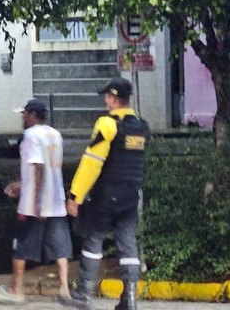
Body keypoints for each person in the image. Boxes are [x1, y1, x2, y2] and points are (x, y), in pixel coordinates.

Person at [62, 77, 149, 310]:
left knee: (94, 238)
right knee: (127, 243)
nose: (105, 100)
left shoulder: (107, 124)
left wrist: (75, 196)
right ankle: (129, 299)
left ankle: (84, 294)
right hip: (131, 194)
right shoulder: (141, 126)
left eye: (107, 97)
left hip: (107, 193)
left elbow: (92, 163)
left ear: (113, 98)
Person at [0, 98, 73, 305]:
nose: (23, 118)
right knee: (60, 247)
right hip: (56, 200)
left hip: (34, 205)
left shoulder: (30, 136)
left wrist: (35, 200)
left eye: (25, 114)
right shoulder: (55, 135)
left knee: (20, 247)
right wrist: (22, 184)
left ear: (33, 115)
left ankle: (16, 289)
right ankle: (64, 289)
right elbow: (51, 167)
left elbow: (37, 167)